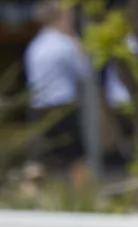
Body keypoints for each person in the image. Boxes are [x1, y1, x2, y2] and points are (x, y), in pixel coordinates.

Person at [23, 0, 95, 186]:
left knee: (38, 156)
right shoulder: (65, 44)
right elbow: (85, 71)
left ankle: (29, 194)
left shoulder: (35, 45)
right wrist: (77, 42)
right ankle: (85, 196)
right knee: (77, 155)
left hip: (38, 106)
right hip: (63, 106)